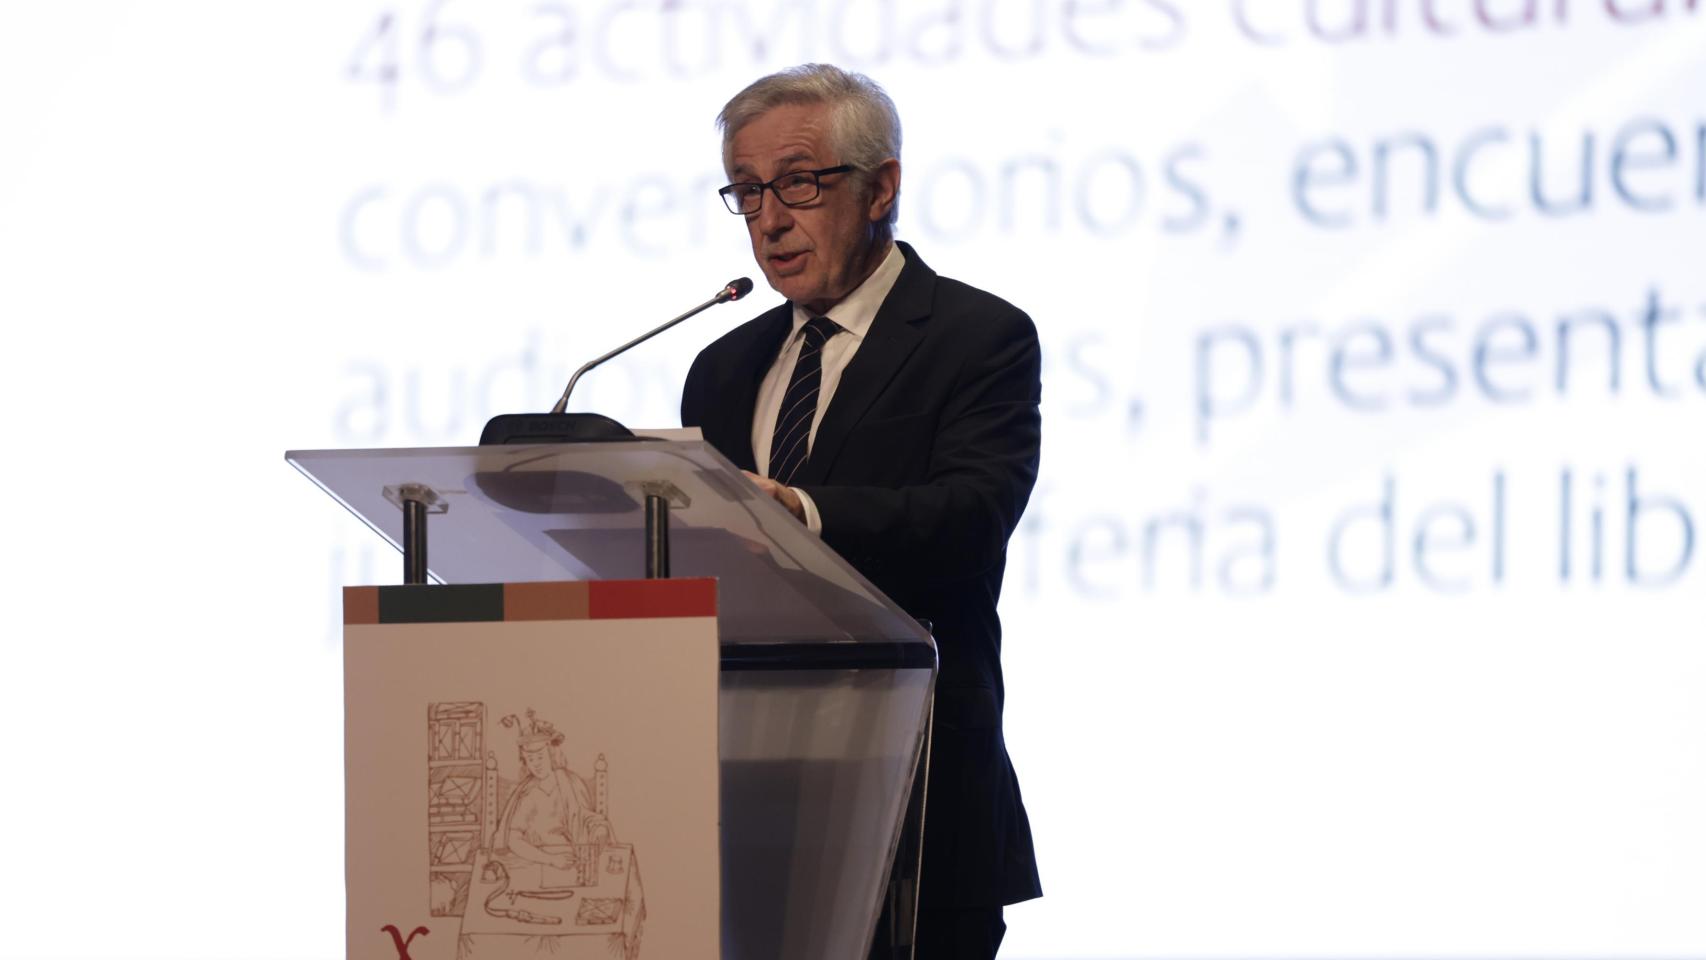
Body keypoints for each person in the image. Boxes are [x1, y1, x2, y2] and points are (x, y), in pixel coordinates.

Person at [680, 63, 1042, 959]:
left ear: (881, 187)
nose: (770, 217)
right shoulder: (723, 369)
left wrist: (797, 512)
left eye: (799, 182)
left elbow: (970, 516)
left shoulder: (977, 338)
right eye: (748, 190)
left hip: (915, 795)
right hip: (741, 807)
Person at [495, 711, 613, 870]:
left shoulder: (571, 783)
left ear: (551, 754)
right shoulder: (527, 794)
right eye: (530, 759)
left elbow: (587, 818)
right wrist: (550, 859)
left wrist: (599, 831)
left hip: (573, 861)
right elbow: (513, 839)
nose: (536, 764)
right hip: (537, 862)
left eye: (540, 757)